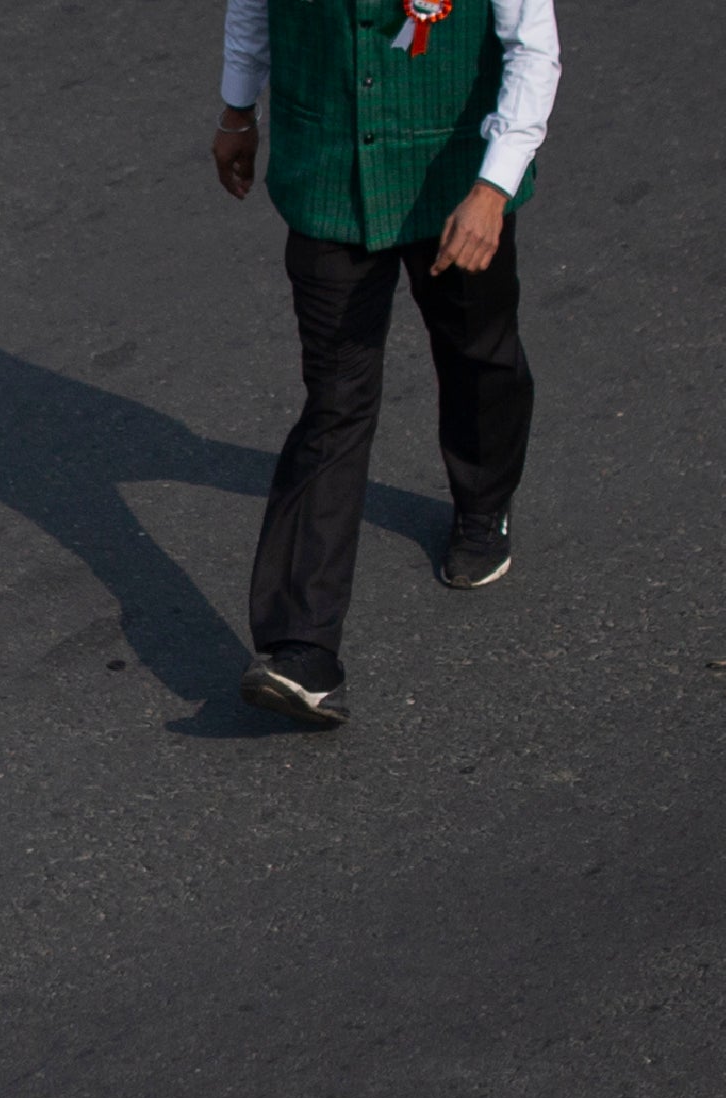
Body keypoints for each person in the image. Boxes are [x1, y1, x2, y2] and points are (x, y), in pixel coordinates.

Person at [213, 0, 558, 727]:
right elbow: (251, 6)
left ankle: (483, 502)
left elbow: (532, 49)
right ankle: (300, 649)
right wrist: (238, 111)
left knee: (478, 355)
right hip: (328, 176)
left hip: (455, 183)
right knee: (334, 400)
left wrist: (492, 189)